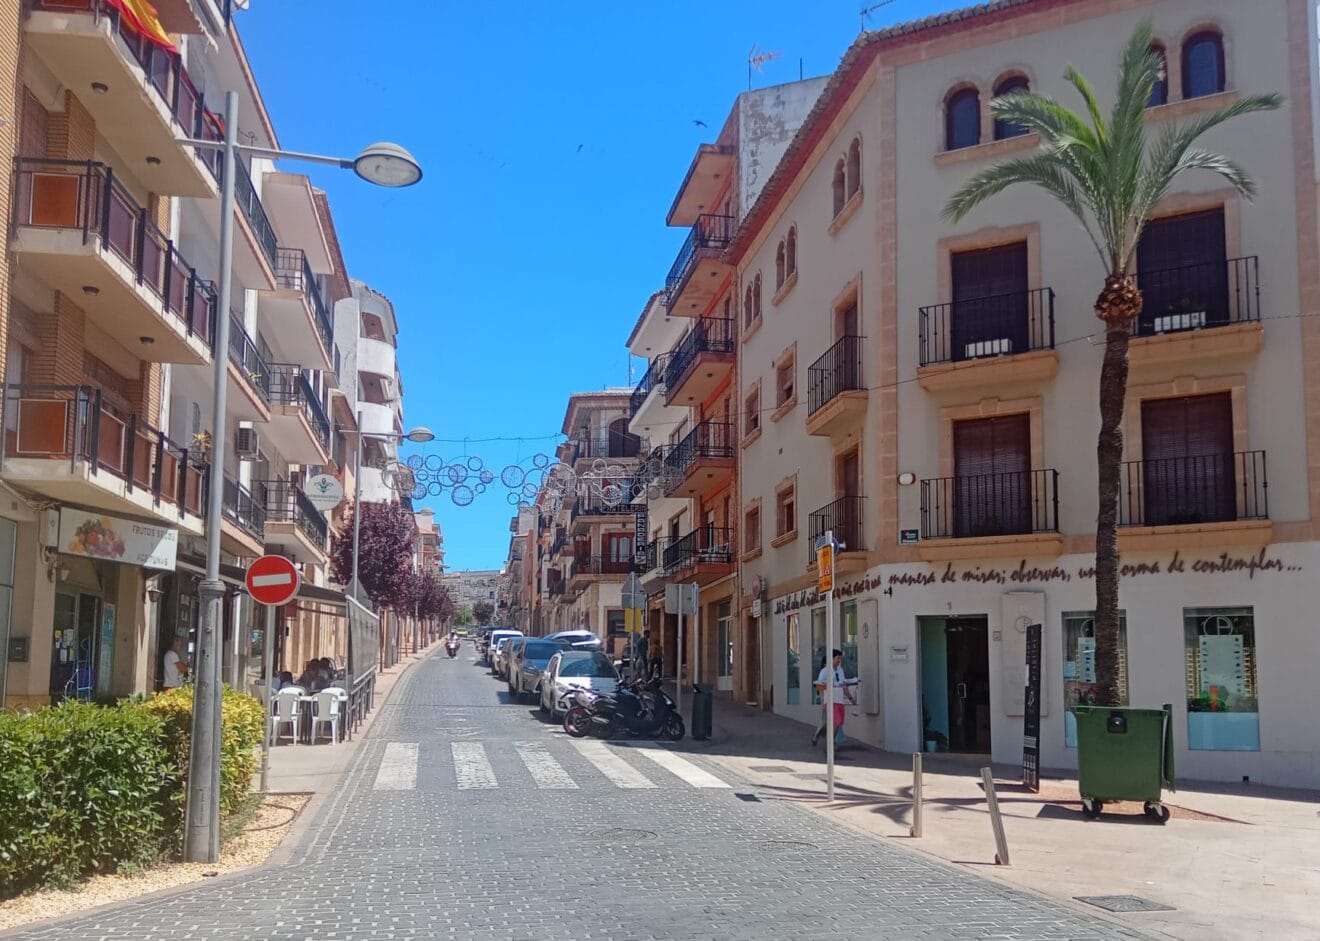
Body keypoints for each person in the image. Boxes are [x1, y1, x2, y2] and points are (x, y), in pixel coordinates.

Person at [811, 649, 858, 746]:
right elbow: (819, 685)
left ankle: (826, 739)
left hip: (839, 700)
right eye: (838, 658)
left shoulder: (840, 671)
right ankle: (830, 742)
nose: (839, 660)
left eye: (840, 658)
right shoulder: (825, 671)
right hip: (830, 701)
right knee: (834, 721)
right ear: (831, 659)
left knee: (838, 722)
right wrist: (830, 685)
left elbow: (843, 685)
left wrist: (850, 698)